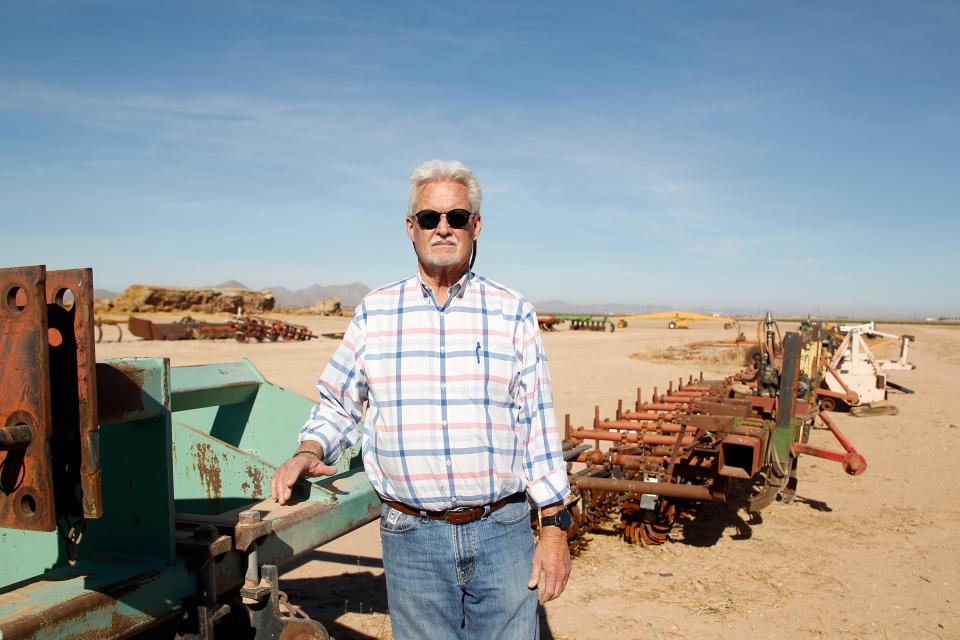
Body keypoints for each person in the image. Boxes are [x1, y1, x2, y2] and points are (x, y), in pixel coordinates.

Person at [270, 160, 572, 639]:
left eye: (457, 217)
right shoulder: (377, 311)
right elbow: (337, 402)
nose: (444, 228)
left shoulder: (513, 312)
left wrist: (554, 528)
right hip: (412, 538)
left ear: (476, 226)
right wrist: (310, 451)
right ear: (411, 229)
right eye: (430, 218)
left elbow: (536, 424)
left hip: (504, 531)